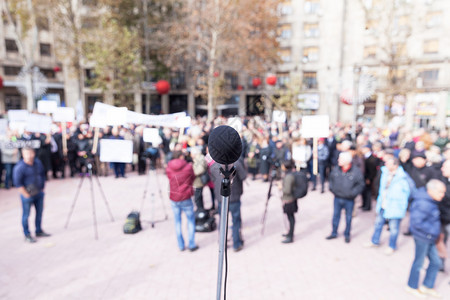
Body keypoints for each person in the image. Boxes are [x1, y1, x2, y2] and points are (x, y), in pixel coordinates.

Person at [364, 157, 412, 254]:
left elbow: (409, 192)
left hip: (395, 206)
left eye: (388, 163)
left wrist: (401, 203)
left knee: (393, 228)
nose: (386, 165)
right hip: (384, 203)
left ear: (395, 165)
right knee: (378, 223)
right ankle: (375, 241)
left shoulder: (403, 177)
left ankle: (392, 246)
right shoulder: (385, 173)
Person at [406, 179, 445, 298]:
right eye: (440, 192)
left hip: (430, 236)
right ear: (431, 190)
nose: (442, 195)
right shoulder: (423, 202)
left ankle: (427, 285)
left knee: (436, 261)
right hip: (423, 237)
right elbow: (417, 222)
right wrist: (432, 231)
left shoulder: (430, 200)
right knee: (419, 262)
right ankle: (411, 286)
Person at [12, 147, 50, 243]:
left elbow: (42, 174)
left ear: (34, 153)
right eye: (26, 154)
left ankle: (38, 230)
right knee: (26, 215)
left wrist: (42, 188)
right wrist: (26, 194)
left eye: (30, 153)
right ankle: (27, 234)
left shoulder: (37, 163)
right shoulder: (19, 167)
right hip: (27, 195)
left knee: (39, 213)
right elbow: (18, 184)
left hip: (39, 193)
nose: (29, 156)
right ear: (23, 155)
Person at [326, 151, 365, 243]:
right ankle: (334, 232)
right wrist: (332, 189)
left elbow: (360, 184)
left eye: (340, 159)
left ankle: (347, 234)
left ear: (347, 161)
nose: (338, 160)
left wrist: (353, 193)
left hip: (349, 199)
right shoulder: (336, 169)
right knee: (335, 216)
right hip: (337, 197)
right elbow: (331, 180)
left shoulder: (356, 171)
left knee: (348, 217)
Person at [210, 156, 247, 252]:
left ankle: (223, 243)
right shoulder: (236, 163)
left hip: (221, 197)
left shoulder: (214, 165)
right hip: (233, 197)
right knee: (235, 220)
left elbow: (212, 179)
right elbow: (243, 176)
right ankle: (236, 243)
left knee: (223, 221)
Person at [166, 150, 198, 252]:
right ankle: (191, 244)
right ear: (180, 156)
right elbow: (193, 177)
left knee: (177, 222)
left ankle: (181, 245)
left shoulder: (169, 167)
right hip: (185, 196)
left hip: (174, 197)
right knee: (190, 221)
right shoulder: (188, 167)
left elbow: (169, 177)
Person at [280, 160, 300, 244]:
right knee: (290, 217)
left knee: (291, 218)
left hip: (289, 200)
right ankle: (289, 233)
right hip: (289, 199)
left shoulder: (289, 177)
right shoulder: (289, 174)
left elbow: (287, 190)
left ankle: (291, 236)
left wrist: (280, 187)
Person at [361, 145, 379, 211]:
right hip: (364, 177)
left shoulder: (372, 158)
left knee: (368, 192)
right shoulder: (364, 157)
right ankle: (364, 204)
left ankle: (367, 206)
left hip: (368, 178)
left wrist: (369, 178)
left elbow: (372, 170)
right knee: (364, 192)